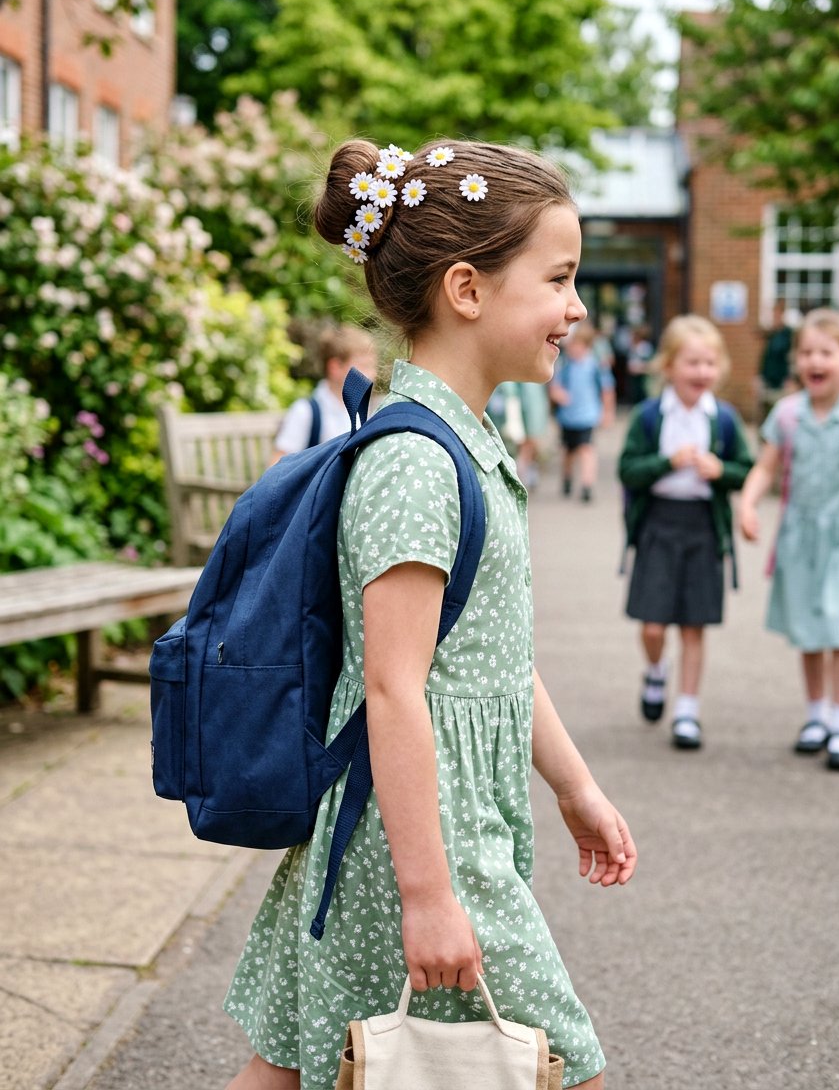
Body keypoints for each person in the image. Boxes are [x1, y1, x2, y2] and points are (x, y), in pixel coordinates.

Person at [224, 139, 637, 1090]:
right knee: (564, 1066)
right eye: (561, 278)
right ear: (467, 289)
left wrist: (573, 787)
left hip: (427, 825)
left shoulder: (469, 441)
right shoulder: (416, 462)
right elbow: (393, 683)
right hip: (414, 839)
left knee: (302, 1063)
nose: (577, 308)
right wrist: (428, 895)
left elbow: (490, 652)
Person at [618, 315, 753, 751]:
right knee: (653, 625)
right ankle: (656, 671)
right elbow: (627, 470)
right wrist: (666, 463)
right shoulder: (650, 416)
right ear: (669, 366)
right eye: (692, 362)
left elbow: (746, 472)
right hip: (659, 523)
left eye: (710, 363)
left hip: (702, 528)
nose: (702, 372)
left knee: (694, 625)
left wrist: (721, 471)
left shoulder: (725, 420)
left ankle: (688, 710)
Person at [739, 308, 839, 771]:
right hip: (800, 538)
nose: (813, 361)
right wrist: (747, 503)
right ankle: (815, 716)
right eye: (806, 352)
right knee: (808, 630)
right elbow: (766, 466)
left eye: (826, 352)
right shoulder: (786, 414)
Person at [270, 324, 378, 461]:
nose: (373, 375)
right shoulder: (306, 412)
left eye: (373, 366)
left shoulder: (368, 411)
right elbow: (277, 468)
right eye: (364, 366)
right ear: (335, 367)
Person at [549, 323, 615, 502]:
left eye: (578, 346)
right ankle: (567, 477)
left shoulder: (595, 366)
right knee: (569, 452)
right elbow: (554, 387)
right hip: (568, 417)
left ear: (586, 346)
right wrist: (559, 395)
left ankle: (587, 484)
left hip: (588, 415)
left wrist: (607, 412)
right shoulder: (564, 365)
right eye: (571, 346)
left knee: (587, 449)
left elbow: (607, 390)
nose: (574, 350)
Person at [755, 299, 794, 424]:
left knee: (778, 415)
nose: (774, 316)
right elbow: (765, 358)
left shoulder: (788, 334)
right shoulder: (771, 334)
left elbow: (791, 357)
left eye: (777, 313)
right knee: (764, 416)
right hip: (768, 380)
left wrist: (790, 378)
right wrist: (759, 377)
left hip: (781, 382)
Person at [625, 324, 655, 405]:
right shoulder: (634, 347)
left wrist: (640, 368)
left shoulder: (645, 347)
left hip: (642, 378)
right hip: (634, 377)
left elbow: (649, 364)